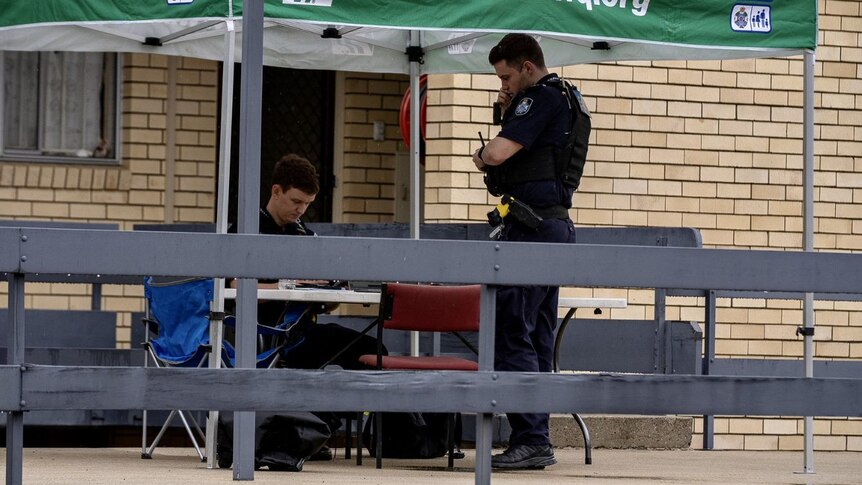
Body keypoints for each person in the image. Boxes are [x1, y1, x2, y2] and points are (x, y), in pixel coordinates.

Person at [471, 33, 589, 470]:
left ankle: (532, 437)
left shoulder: (540, 98)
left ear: (526, 66)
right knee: (535, 335)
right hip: (550, 226)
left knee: (510, 326)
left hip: (532, 227)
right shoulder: (566, 97)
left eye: (506, 76)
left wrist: (483, 155)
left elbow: (499, 153)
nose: (505, 84)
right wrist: (504, 111)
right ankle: (535, 436)